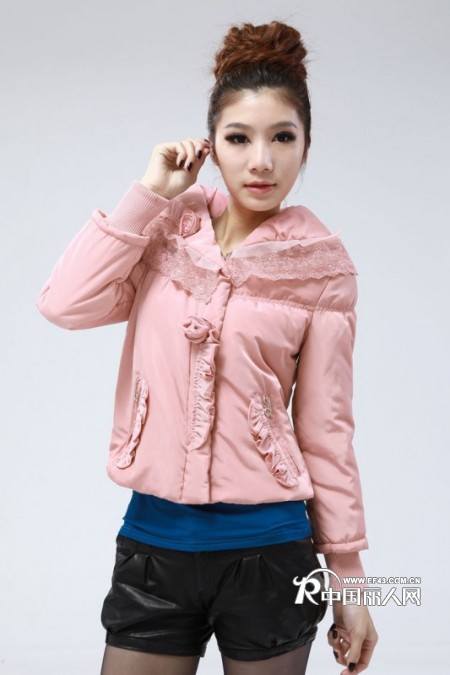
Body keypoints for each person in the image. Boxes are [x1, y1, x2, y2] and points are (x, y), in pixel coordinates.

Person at [36, 19, 378, 675]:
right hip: (153, 545)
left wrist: (351, 582)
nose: (262, 161)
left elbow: (327, 430)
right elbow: (64, 303)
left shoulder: (322, 271)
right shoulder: (165, 230)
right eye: (239, 137)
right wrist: (146, 196)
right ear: (211, 146)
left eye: (283, 137)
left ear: (306, 146)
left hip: (273, 555)